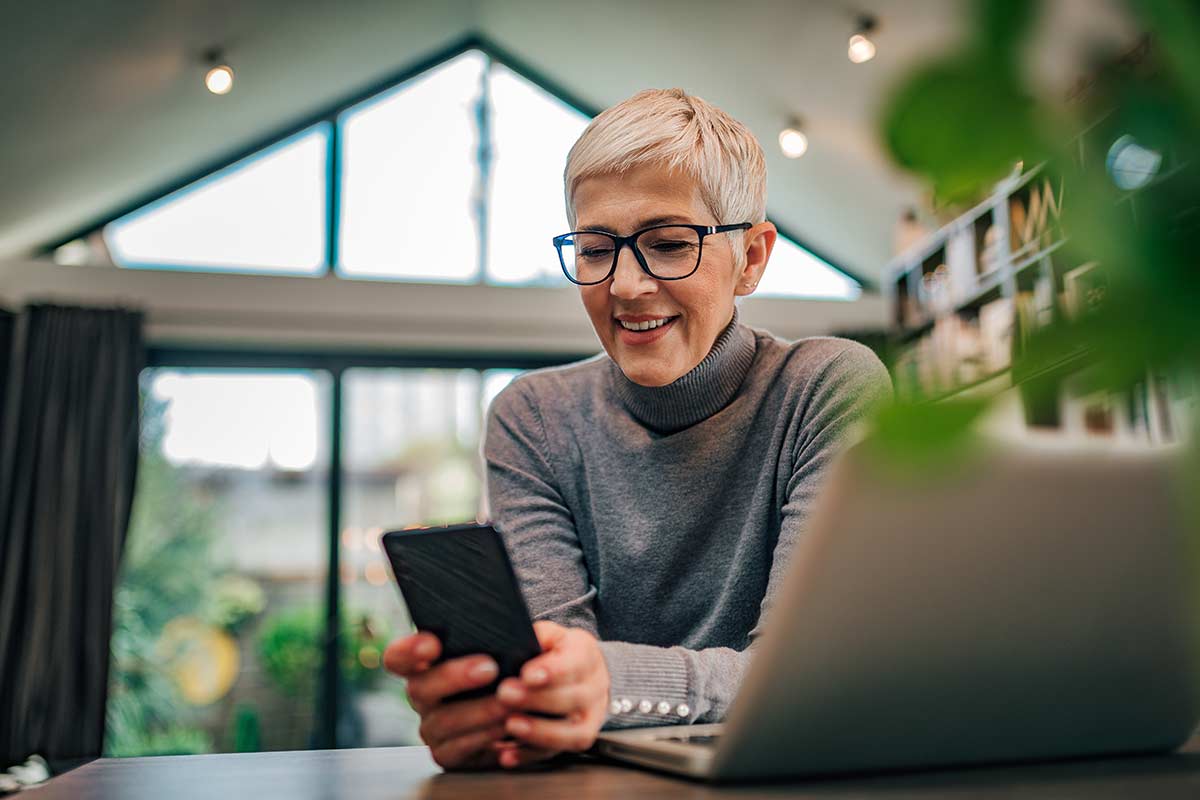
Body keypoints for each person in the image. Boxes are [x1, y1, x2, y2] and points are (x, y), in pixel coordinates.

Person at [383, 88, 892, 770]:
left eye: (669, 244)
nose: (624, 285)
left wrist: (609, 684)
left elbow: (805, 675)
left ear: (752, 257)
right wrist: (499, 708)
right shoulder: (535, 418)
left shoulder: (824, 389)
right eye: (596, 250)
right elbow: (554, 676)